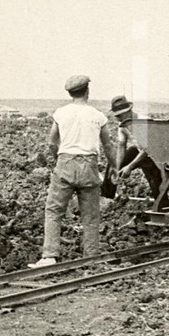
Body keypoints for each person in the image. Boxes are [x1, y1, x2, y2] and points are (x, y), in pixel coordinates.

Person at [29, 75, 116, 268]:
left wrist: (57, 160)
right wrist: (114, 167)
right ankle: (91, 256)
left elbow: (52, 142)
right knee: (91, 215)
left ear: (70, 92)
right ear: (87, 91)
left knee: (53, 211)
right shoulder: (98, 116)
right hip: (89, 165)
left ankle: (50, 255)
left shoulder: (60, 113)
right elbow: (108, 145)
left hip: (65, 162)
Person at [107, 95, 169, 228]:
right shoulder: (123, 125)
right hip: (138, 149)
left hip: (155, 153)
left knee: (153, 178)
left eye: (120, 116)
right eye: (117, 116)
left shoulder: (143, 121)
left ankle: (164, 209)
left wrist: (130, 167)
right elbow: (121, 146)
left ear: (128, 112)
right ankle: (107, 197)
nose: (118, 119)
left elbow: (147, 149)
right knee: (112, 165)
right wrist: (118, 167)